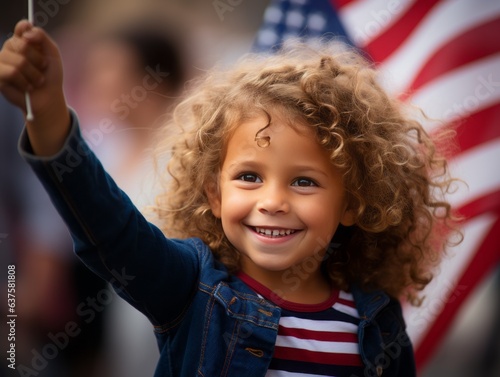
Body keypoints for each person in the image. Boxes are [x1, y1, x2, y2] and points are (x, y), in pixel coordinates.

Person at [0, 20, 460, 377]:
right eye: (248, 177)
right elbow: (109, 226)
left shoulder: (377, 321)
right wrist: (47, 113)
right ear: (213, 196)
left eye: (304, 182)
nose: (274, 201)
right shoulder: (189, 287)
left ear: (354, 203)